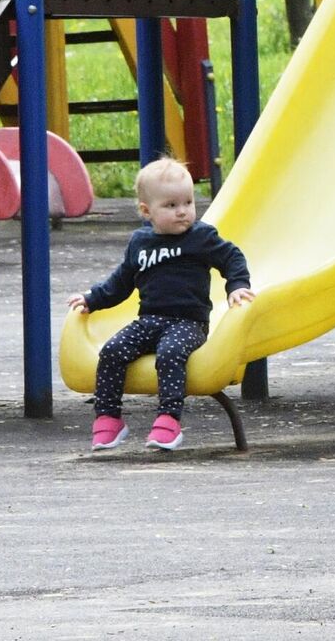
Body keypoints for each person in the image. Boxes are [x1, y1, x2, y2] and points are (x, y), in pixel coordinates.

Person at [69, 157, 253, 452]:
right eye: (171, 206)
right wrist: (93, 299)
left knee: (169, 354)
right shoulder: (140, 242)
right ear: (147, 211)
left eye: (188, 202)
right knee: (112, 352)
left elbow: (232, 258)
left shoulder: (201, 237)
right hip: (150, 321)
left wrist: (238, 286)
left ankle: (169, 420)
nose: (182, 212)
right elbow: (121, 282)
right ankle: (108, 418)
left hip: (188, 323)